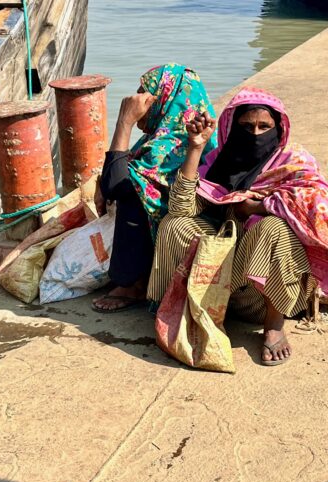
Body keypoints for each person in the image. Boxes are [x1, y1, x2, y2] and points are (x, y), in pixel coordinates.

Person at [148, 86, 328, 366]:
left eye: (263, 126)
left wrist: (259, 206)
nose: (255, 134)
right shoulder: (220, 162)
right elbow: (181, 208)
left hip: (270, 290)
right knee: (175, 224)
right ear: (231, 127)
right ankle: (179, 307)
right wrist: (195, 148)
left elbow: (316, 205)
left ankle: (274, 325)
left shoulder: (293, 162)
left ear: (278, 128)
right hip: (229, 282)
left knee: (272, 227)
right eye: (246, 126)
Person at [92, 63, 216, 312]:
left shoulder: (173, 142)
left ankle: (133, 284)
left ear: (167, 99)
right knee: (128, 182)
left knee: (132, 195)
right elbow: (114, 176)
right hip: (175, 225)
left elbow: (117, 186)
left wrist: (124, 122)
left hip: (182, 231)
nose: (137, 101)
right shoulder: (165, 133)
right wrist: (99, 183)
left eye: (145, 94)